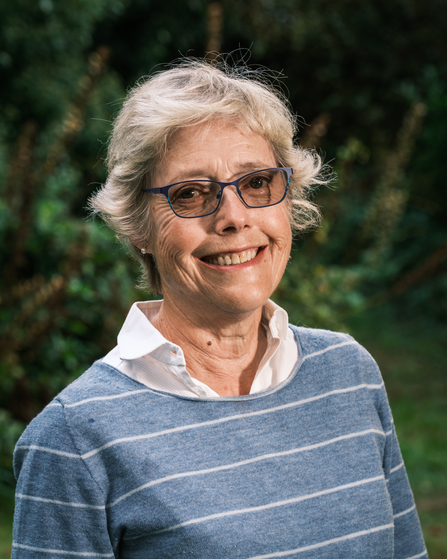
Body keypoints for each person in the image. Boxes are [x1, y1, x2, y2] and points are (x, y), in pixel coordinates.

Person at [12, 59, 427, 559]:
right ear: (137, 225)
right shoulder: (74, 438)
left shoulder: (350, 373)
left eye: (256, 183)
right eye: (190, 194)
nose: (233, 217)